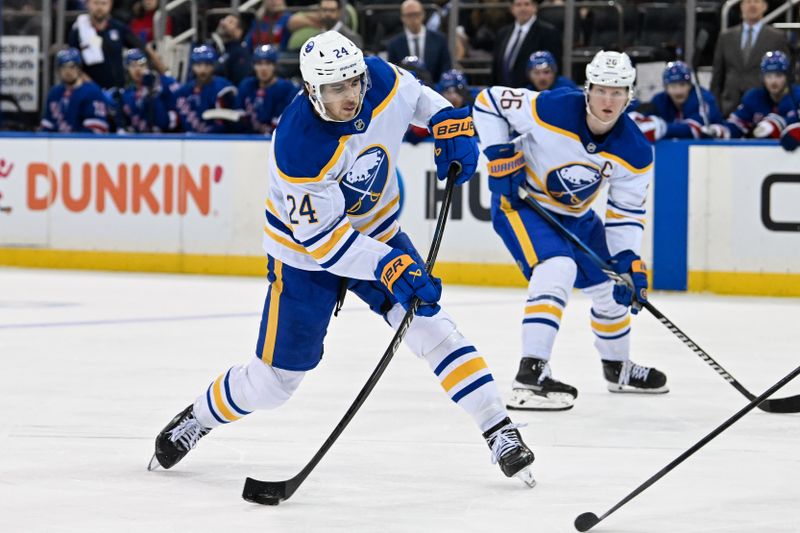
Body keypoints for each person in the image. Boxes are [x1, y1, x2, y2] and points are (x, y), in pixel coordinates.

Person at [148, 31, 535, 487]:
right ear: (313, 90)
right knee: (275, 382)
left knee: (431, 325)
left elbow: (419, 98)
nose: (351, 95)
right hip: (304, 256)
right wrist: (391, 267)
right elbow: (326, 244)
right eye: (336, 88)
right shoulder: (299, 146)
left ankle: (498, 428)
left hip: (377, 229)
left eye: (353, 83)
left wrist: (448, 121)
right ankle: (199, 417)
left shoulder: (379, 77)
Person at [472, 50, 668, 411]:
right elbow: (488, 101)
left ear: (630, 95)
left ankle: (617, 369)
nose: (608, 100)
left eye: (618, 91)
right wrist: (499, 154)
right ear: (587, 88)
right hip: (523, 204)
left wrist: (626, 259)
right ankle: (531, 377)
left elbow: (626, 210)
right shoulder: (552, 108)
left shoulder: (635, 151)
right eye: (601, 90)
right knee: (557, 267)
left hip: (576, 216)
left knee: (615, 285)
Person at [710, 0, 789, 116]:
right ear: (741, 7)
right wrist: (715, 107)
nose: (752, 5)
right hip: (729, 106)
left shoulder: (777, 37)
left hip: (764, 107)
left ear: (764, 6)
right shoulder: (725, 37)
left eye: (756, 1)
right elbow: (717, 76)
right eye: (748, 2)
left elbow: (787, 74)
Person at [68, 0, 165, 90]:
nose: (100, 7)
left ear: (110, 4)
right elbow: (73, 66)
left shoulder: (118, 28)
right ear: (87, 4)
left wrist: (164, 72)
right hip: (90, 94)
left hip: (119, 92)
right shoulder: (78, 32)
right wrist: (96, 91)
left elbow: (143, 47)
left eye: (103, 3)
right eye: (96, 3)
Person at [704, 51, 800, 140]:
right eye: (769, 76)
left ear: (787, 77)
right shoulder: (754, 97)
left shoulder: (797, 96)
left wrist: (780, 124)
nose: (773, 81)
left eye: (778, 75)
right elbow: (737, 125)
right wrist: (719, 131)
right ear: (762, 78)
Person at [630, 61, 724, 142]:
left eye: (682, 85)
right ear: (666, 88)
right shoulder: (661, 100)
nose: (678, 91)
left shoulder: (703, 98)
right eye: (673, 86)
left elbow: (697, 129)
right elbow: (644, 114)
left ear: (690, 85)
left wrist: (664, 128)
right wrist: (638, 117)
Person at [491, 0, 561, 88]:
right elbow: (496, 66)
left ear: (535, 7)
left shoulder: (549, 32)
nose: (523, 8)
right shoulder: (502, 33)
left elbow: (553, 68)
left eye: (527, 4)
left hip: (532, 96)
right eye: (518, 5)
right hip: (503, 94)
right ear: (512, 9)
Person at [40, 48, 109, 134]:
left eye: (72, 67)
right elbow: (47, 125)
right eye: (63, 67)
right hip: (58, 145)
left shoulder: (92, 92)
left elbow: (97, 128)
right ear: (58, 70)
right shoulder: (54, 93)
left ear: (79, 68)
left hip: (84, 145)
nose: (68, 71)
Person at [237, 45, 298, 134]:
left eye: (268, 63)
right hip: (247, 141)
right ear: (253, 66)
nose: (263, 68)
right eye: (259, 63)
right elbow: (237, 117)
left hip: (275, 141)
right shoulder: (246, 86)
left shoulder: (287, 89)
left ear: (275, 66)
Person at [386, 0, 452, 83]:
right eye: (409, 15)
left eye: (416, 14)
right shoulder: (394, 44)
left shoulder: (439, 39)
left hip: (434, 89)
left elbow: (446, 68)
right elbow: (392, 73)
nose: (413, 19)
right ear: (402, 18)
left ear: (423, 14)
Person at [173, 45, 235, 134]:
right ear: (192, 66)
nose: (203, 69)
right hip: (189, 142)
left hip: (219, 141)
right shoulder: (183, 91)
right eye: (198, 65)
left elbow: (233, 121)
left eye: (207, 65)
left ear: (213, 66)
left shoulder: (224, 87)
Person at [118, 48, 179, 133]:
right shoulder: (125, 94)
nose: (137, 69)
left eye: (142, 65)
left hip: (164, 137)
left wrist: (153, 92)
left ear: (148, 66)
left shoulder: (164, 84)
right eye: (133, 65)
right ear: (127, 68)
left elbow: (168, 121)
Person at [213, 14, 253, 86]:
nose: (223, 23)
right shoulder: (217, 49)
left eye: (230, 22)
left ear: (239, 31)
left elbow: (241, 83)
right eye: (224, 20)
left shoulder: (240, 53)